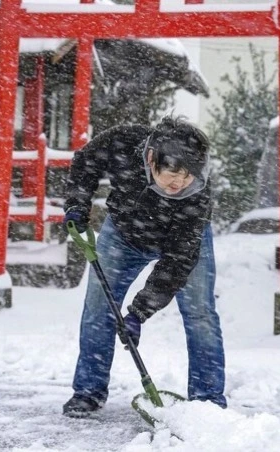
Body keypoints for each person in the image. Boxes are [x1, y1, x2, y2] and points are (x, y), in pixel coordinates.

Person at [62, 116, 226, 417]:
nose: (180, 183)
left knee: (200, 312)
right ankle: (88, 391)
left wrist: (139, 312)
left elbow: (177, 262)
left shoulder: (197, 197)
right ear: (151, 159)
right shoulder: (123, 141)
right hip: (123, 234)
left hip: (181, 241)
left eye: (188, 177)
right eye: (173, 174)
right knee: (99, 308)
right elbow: (86, 162)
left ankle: (208, 401)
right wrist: (77, 203)